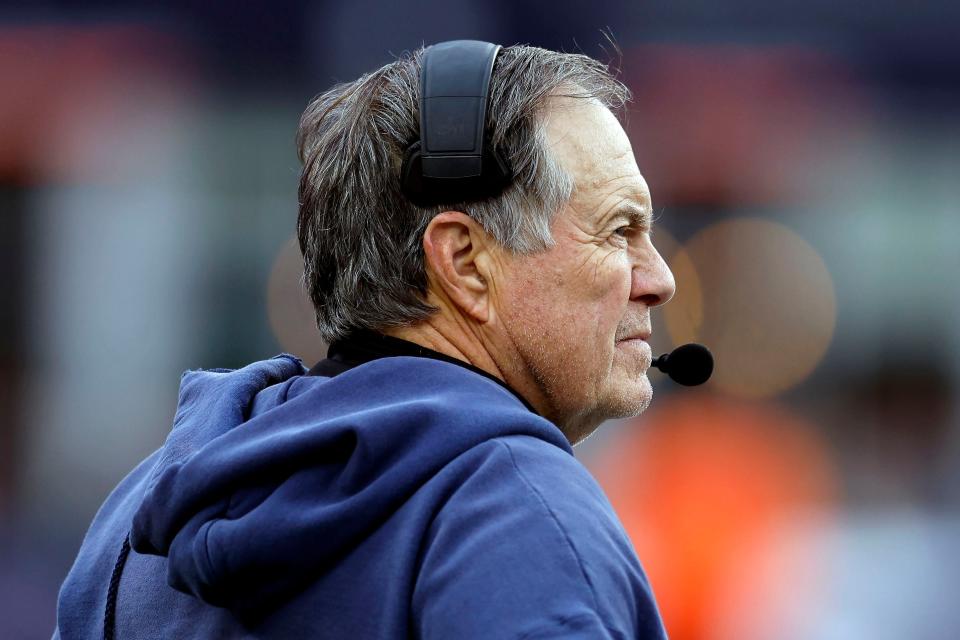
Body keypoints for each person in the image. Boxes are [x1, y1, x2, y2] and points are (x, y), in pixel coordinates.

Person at [55, 42, 675, 639]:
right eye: (619, 231)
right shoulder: (517, 508)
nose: (660, 280)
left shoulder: (133, 519)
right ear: (463, 262)